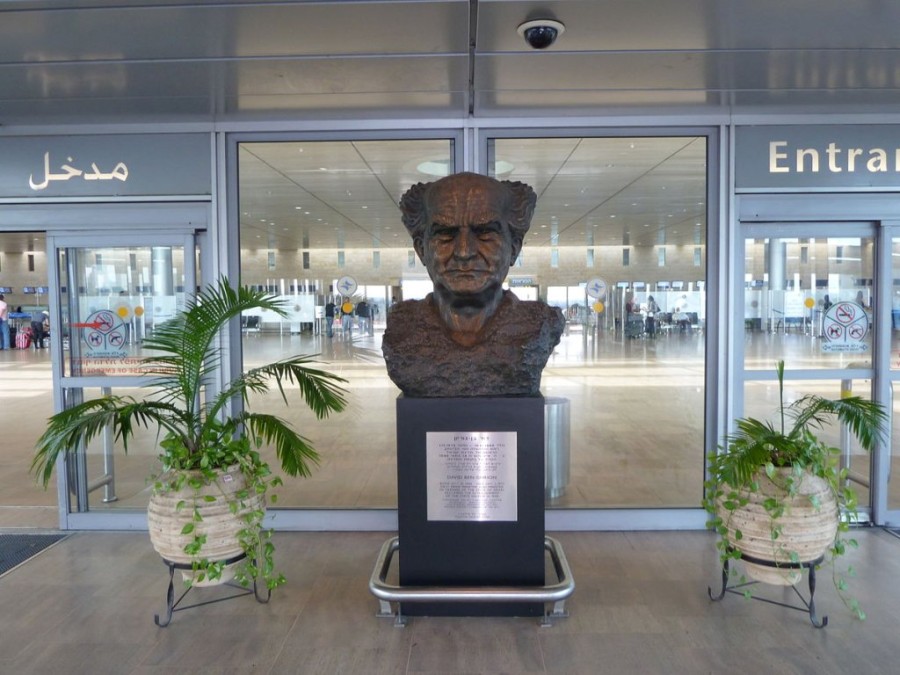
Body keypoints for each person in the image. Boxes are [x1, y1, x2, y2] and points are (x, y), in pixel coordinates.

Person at [382, 172, 565, 397]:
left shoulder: (539, 325)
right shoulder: (403, 329)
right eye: (445, 234)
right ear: (422, 250)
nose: (464, 252)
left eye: (485, 233)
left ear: (514, 248)